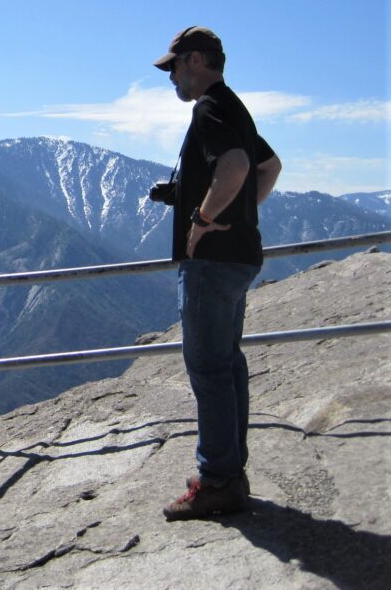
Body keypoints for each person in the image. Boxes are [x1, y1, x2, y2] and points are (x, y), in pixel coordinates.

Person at [152, 26, 282, 521]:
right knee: (227, 365)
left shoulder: (209, 109)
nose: (172, 77)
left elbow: (234, 166)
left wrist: (204, 221)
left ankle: (217, 481)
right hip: (239, 256)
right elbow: (268, 167)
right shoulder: (234, 108)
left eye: (176, 66)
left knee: (209, 370)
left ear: (199, 61)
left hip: (211, 264)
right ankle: (229, 471)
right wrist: (239, 215)